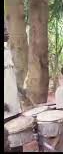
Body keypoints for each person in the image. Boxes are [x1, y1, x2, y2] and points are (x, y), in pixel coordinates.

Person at [4, 21, 23, 152]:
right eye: (4, 29)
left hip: (14, 107)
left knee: (18, 141)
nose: (7, 32)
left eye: (6, 29)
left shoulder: (7, 51)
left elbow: (9, 77)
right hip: (5, 110)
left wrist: (21, 89)